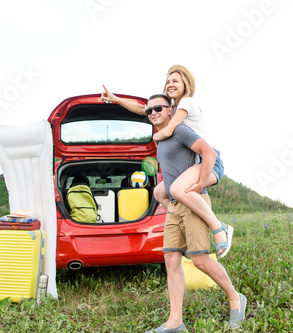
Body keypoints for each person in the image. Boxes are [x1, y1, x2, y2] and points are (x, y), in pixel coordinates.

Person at [101, 65, 233, 259]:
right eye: (168, 81)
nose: (170, 84)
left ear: (186, 84)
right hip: (197, 160)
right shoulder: (172, 107)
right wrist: (115, 99)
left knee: (178, 190)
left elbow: (170, 129)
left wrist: (158, 137)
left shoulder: (186, 103)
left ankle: (219, 228)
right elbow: (141, 109)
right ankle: (180, 223)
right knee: (159, 191)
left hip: (210, 160)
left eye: (175, 81)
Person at [144, 94, 246, 332]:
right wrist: (116, 100)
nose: (153, 113)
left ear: (171, 110)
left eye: (158, 108)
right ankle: (175, 322)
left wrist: (200, 184)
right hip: (174, 206)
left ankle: (235, 297)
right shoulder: (162, 140)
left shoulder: (180, 131)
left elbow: (209, 152)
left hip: (192, 201)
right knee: (171, 260)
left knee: (200, 260)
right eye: (149, 111)